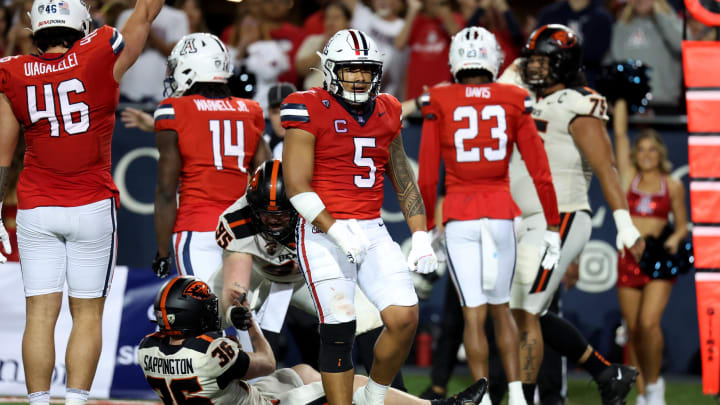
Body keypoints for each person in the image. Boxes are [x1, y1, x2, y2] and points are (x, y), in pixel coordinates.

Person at [0, 0, 164, 403]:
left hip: (36, 206)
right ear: (81, 25)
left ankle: (38, 402)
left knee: (39, 313)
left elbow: (3, 154)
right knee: (87, 314)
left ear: (35, 29)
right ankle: (75, 401)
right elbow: (144, 15)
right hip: (91, 204)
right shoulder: (100, 51)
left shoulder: (12, 71)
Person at [282, 28, 438, 405]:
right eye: (351, 69)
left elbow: (403, 179)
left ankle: (373, 396)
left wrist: (420, 236)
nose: (359, 78)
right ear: (332, 70)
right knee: (339, 326)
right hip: (322, 231)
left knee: (404, 319)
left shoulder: (387, 108)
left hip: (372, 228)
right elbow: (297, 187)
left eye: (366, 70)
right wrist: (337, 231)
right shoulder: (306, 105)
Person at [497, 24, 644, 405]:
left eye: (544, 60)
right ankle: (606, 372)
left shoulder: (580, 102)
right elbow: (500, 86)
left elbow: (606, 166)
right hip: (526, 221)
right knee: (525, 311)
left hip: (559, 217)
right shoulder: (527, 98)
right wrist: (520, 61)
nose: (534, 67)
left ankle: (522, 399)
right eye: (532, 60)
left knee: (526, 310)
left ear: (564, 63)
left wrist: (624, 225)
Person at [417, 26, 562, 405]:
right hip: (500, 214)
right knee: (502, 309)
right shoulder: (513, 97)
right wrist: (552, 224)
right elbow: (539, 168)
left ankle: (481, 398)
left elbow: (429, 173)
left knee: (473, 316)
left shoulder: (440, 98)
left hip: (461, 216)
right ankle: (516, 396)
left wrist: (426, 228)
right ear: (493, 59)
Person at [139, 275, 488, 405]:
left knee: (304, 370)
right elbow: (266, 363)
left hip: (228, 397)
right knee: (357, 383)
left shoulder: (147, 349)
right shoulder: (215, 351)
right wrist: (252, 328)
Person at [212, 159, 405, 390]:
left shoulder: (321, 209)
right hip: (260, 273)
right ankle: (203, 390)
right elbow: (236, 284)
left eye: (282, 214)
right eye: (265, 214)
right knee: (206, 311)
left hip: (308, 275)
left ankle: (393, 394)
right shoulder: (237, 221)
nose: (273, 221)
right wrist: (235, 308)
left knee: (368, 318)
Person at [151, 32, 270, 281]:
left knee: (203, 314)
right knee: (242, 313)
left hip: (197, 228)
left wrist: (162, 253)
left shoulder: (174, 110)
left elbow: (165, 191)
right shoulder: (250, 110)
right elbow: (268, 180)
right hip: (243, 231)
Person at [613, 104, 689, 405]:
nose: (646, 154)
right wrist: (620, 98)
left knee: (648, 324)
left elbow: (682, 226)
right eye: (641, 149)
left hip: (659, 260)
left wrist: (674, 240)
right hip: (629, 258)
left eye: (651, 150)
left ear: (660, 153)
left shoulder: (671, 185)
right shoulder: (627, 177)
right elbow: (619, 134)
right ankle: (643, 393)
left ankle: (656, 387)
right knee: (633, 330)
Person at [609, 0, 682, 109]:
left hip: (664, 104)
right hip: (629, 105)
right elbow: (614, 63)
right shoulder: (621, 27)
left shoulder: (672, 21)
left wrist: (660, 14)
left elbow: (681, 46)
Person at [116, 0, 189, 103]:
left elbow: (176, 54)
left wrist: (147, 31)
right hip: (129, 91)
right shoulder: (126, 16)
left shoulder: (178, 17)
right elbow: (121, 52)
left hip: (162, 94)